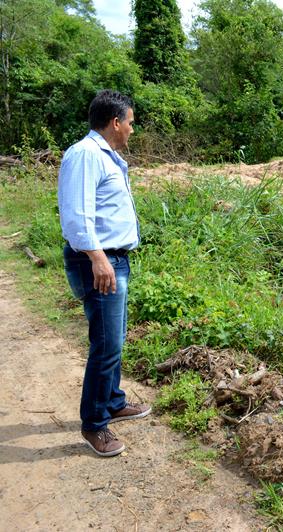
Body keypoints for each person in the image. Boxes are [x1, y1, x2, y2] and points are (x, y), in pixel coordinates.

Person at [58, 89, 150, 457]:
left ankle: (112, 400)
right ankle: (95, 424)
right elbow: (76, 214)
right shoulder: (84, 155)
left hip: (113, 259)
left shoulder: (105, 157)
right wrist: (98, 258)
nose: (132, 130)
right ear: (115, 123)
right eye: (130, 122)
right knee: (106, 344)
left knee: (115, 339)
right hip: (99, 262)